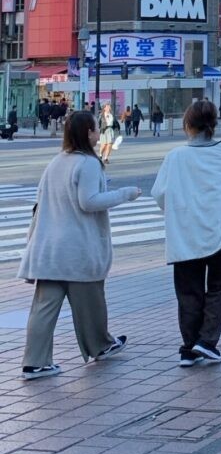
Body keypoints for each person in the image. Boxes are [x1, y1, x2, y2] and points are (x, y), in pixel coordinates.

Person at [17, 111, 139, 377]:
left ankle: (34, 361)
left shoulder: (56, 161)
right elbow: (89, 201)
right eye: (96, 128)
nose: (98, 132)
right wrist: (124, 194)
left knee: (44, 308)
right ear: (88, 133)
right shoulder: (88, 163)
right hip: (77, 249)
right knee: (91, 301)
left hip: (49, 248)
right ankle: (100, 345)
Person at [151, 99, 221, 366]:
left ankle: (188, 348)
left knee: (188, 292)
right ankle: (207, 341)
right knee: (219, 287)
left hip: (184, 234)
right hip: (219, 233)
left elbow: (159, 193)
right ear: (214, 124)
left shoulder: (175, 157)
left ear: (188, 126)